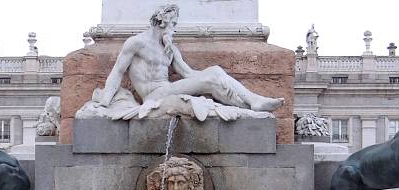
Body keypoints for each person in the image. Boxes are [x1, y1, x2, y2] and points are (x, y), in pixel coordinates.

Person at [97, 4, 284, 113]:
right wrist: (104, 102)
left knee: (215, 73)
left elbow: (188, 73)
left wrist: (218, 79)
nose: (175, 28)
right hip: (153, 96)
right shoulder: (136, 43)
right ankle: (254, 102)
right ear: (162, 21)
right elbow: (117, 72)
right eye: (173, 24)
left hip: (167, 90)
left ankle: (250, 106)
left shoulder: (169, 48)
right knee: (213, 76)